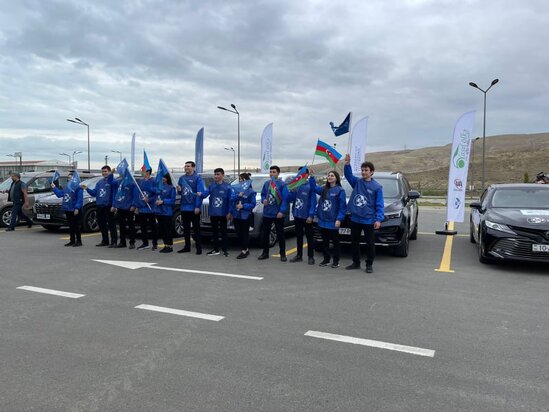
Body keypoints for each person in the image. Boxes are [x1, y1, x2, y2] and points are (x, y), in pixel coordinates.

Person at [343, 155, 384, 273]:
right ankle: (356, 262)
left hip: (369, 220)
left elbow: (379, 205)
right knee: (354, 242)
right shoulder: (357, 182)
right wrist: (347, 164)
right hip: (355, 218)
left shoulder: (377, 187)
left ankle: (369, 264)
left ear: (372, 172)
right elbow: (348, 175)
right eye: (362, 170)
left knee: (370, 243)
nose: (363, 172)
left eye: (366, 170)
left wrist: (378, 219)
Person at [312, 171, 346, 268]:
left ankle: (336, 261)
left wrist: (339, 219)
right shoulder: (323, 189)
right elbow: (314, 187)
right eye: (329, 175)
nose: (330, 177)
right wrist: (311, 177)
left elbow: (342, 207)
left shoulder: (340, 191)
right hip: (323, 221)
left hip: (333, 221)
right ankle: (326, 259)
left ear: (336, 178)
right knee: (325, 242)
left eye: (332, 176)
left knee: (335, 242)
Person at [258, 165, 289, 261]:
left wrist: (282, 211)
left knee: (280, 234)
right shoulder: (267, 183)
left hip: (277, 213)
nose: (271, 174)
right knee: (265, 233)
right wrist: (263, 200)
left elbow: (285, 199)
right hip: (267, 212)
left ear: (278, 173)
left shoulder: (282, 184)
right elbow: (263, 194)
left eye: (274, 172)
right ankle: (265, 252)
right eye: (270, 172)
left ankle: (282, 253)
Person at [200, 168, 232, 256]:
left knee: (224, 232)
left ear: (222, 175)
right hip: (213, 213)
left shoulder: (228, 187)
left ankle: (225, 249)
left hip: (223, 213)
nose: (216, 176)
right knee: (214, 232)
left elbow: (230, 200)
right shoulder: (212, 186)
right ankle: (215, 249)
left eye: (218, 174)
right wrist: (200, 194)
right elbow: (205, 194)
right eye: (215, 174)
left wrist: (229, 212)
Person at [81, 165, 116, 246]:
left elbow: (114, 194)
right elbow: (94, 193)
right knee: (102, 224)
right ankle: (105, 241)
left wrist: (114, 205)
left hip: (109, 206)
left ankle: (114, 242)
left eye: (106, 171)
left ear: (109, 172)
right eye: (103, 171)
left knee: (111, 225)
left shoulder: (113, 181)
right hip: (100, 206)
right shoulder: (99, 182)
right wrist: (87, 188)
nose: (104, 173)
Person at [287, 168, 317, 265]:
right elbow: (290, 199)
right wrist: (291, 192)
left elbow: (313, 202)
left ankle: (311, 257)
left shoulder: (310, 186)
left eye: (303, 173)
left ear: (307, 175)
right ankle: (299, 255)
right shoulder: (297, 185)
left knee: (309, 236)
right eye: (299, 173)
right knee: (299, 236)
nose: (301, 175)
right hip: (297, 215)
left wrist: (311, 215)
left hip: (307, 216)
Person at [176, 161, 204, 255]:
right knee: (186, 229)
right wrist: (179, 190)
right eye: (185, 166)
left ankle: (198, 248)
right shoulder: (182, 178)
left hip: (193, 208)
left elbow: (200, 194)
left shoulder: (197, 178)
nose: (186, 167)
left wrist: (197, 206)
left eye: (188, 166)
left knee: (196, 229)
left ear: (193, 167)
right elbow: (181, 193)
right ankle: (187, 247)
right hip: (184, 207)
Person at [51, 171, 83, 246]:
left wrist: (77, 208)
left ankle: (79, 241)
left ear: (74, 178)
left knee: (76, 226)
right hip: (68, 209)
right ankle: (72, 240)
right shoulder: (67, 187)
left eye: (70, 177)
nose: (68, 179)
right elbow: (60, 194)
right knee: (71, 226)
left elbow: (80, 199)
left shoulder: (78, 187)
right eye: (68, 178)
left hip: (75, 209)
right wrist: (54, 188)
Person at [230, 172, 256, 259]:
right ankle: (244, 248)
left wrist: (243, 206)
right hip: (236, 215)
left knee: (245, 233)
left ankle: (245, 250)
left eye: (242, 179)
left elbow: (253, 204)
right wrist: (238, 195)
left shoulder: (251, 192)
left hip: (245, 215)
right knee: (238, 233)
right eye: (240, 179)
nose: (241, 181)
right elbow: (231, 199)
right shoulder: (235, 190)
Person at [133, 167, 158, 250]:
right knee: (143, 227)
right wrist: (136, 206)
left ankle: (155, 243)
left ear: (148, 172)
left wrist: (149, 199)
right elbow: (137, 194)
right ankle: (145, 243)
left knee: (153, 227)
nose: (141, 172)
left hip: (151, 208)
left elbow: (157, 192)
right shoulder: (140, 181)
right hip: (142, 208)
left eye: (143, 171)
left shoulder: (154, 181)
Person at [111, 169, 136, 249]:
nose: (121, 174)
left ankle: (132, 242)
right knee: (121, 226)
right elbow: (111, 182)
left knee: (131, 226)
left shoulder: (132, 183)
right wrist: (111, 174)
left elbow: (134, 195)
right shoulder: (119, 182)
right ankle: (122, 242)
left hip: (129, 207)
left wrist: (133, 205)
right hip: (121, 207)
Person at [155, 173, 176, 253]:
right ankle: (165, 245)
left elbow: (172, 200)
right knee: (162, 230)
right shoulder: (159, 187)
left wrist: (163, 201)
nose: (162, 179)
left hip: (167, 212)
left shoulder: (171, 188)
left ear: (167, 178)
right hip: (159, 212)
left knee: (167, 230)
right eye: (161, 177)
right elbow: (155, 197)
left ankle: (170, 246)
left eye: (164, 177)